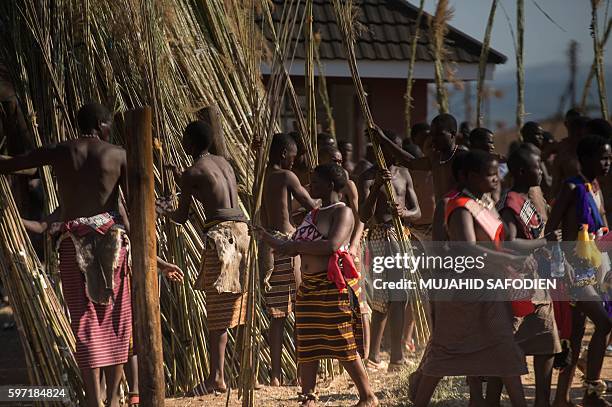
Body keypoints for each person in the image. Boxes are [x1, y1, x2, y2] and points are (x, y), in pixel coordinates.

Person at [0, 103, 177, 407]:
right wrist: (154, 258)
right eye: (108, 124)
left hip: (72, 246)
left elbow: (14, 163)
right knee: (117, 324)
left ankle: (94, 401)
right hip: (113, 246)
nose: (110, 130)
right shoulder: (118, 154)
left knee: (84, 323)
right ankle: (110, 400)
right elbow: (129, 212)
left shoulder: (61, 150)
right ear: (100, 124)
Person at [257, 163, 378, 407]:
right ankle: (308, 396)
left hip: (332, 287)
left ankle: (368, 396)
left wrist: (296, 247)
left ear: (331, 185)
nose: (310, 186)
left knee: (342, 340)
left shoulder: (341, 213)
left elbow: (332, 245)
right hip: (309, 288)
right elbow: (287, 247)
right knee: (308, 342)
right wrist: (263, 235)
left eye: (316, 182)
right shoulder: (313, 214)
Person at [413, 150, 529, 407]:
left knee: (503, 347)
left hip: (489, 287)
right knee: (446, 351)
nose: (496, 178)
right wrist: (506, 259)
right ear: (467, 176)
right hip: (466, 291)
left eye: (497, 172)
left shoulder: (483, 203)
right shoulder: (460, 207)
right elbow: (466, 248)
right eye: (489, 174)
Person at [158, 120, 250, 394]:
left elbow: (182, 216)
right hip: (242, 233)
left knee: (218, 312)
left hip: (221, 238)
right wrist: (181, 179)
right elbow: (211, 192)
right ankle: (239, 375)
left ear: (190, 143)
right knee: (237, 307)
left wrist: (161, 210)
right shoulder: (223, 162)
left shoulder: (192, 172)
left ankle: (216, 377)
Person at [491, 146, 562, 407]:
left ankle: (542, 401)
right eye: (537, 166)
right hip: (517, 286)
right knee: (508, 350)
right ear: (522, 171)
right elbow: (509, 243)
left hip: (537, 285)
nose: (541, 171)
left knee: (547, 344)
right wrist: (544, 241)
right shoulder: (510, 203)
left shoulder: (528, 198)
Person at [545, 134, 611, 407]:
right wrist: (562, 266)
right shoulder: (571, 188)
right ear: (585, 159)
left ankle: (562, 398)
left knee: (574, 335)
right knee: (606, 323)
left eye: (609, 157)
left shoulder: (595, 187)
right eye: (602, 157)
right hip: (573, 271)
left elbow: (600, 229)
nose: (607, 163)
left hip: (593, 269)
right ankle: (593, 392)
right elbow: (550, 230)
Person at [358, 131, 421, 372]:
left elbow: (418, 211)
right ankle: (374, 355)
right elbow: (364, 215)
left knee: (400, 298)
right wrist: (376, 188)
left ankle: (396, 356)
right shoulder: (366, 177)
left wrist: (404, 213)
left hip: (402, 237)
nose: (390, 154)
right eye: (385, 149)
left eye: (394, 148)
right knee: (382, 298)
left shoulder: (404, 174)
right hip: (381, 238)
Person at [261, 133, 317, 386]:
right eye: (292, 158)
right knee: (300, 308)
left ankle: (275, 375)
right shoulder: (286, 176)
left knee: (278, 315)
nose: (294, 163)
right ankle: (299, 372)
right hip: (288, 243)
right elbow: (311, 204)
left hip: (269, 244)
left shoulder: (261, 177)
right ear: (284, 153)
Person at [318, 145, 370, 358]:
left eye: (340, 161)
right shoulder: (318, 183)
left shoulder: (347, 184)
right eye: (333, 160)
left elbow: (360, 218)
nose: (338, 164)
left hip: (348, 249)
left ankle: (364, 355)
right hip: (328, 251)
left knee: (359, 300)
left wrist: (355, 245)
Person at [550, 114, 590, 198]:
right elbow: (555, 185)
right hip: (573, 201)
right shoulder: (563, 156)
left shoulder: (595, 154)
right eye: (574, 133)